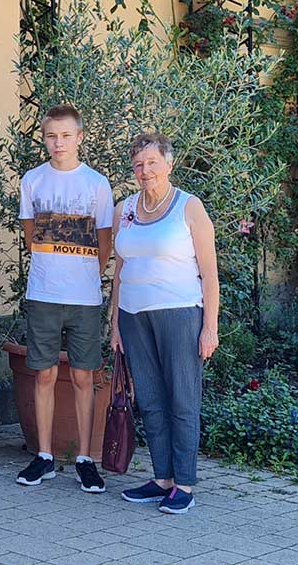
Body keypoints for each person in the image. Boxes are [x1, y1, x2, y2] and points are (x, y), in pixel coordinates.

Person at [111, 132, 220, 515]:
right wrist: (114, 325)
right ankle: (162, 479)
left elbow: (209, 274)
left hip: (179, 314)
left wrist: (211, 327)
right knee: (152, 400)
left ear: (169, 164)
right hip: (133, 317)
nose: (145, 170)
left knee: (182, 399)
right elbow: (120, 268)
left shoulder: (189, 207)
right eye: (139, 164)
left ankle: (185, 483)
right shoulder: (124, 208)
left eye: (152, 163)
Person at [14, 105, 114, 493]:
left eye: (66, 135)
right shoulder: (33, 181)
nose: (59, 143)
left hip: (84, 297)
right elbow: (30, 238)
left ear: (80, 137)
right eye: (52, 136)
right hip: (43, 292)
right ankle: (43, 456)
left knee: (85, 376)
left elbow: (104, 244)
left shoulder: (96, 184)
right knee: (43, 373)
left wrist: (82, 274)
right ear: (44, 138)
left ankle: (85, 459)